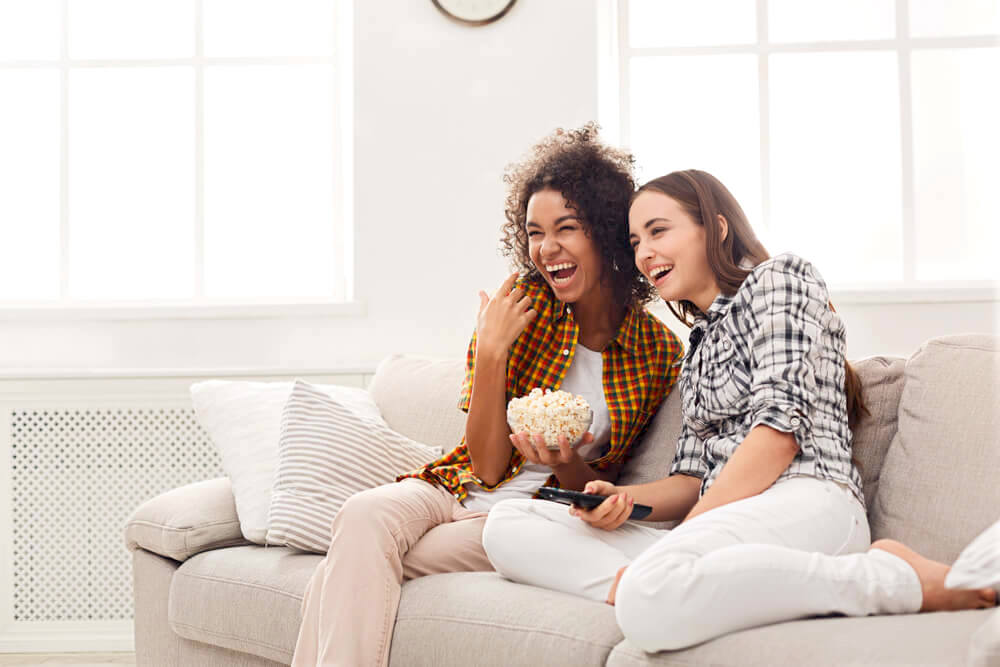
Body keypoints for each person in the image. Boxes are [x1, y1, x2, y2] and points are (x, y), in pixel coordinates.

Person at [481, 169, 998, 652]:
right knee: (507, 525)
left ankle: (888, 576)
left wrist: (685, 539)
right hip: (731, 521)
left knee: (648, 605)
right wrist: (624, 499)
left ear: (716, 228)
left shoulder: (780, 281)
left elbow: (777, 437)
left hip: (805, 499)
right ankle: (669, 584)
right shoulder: (698, 349)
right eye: (636, 242)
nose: (644, 254)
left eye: (659, 231)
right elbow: (689, 480)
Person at [290, 124, 684, 666]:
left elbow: (595, 488)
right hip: (454, 485)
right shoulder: (520, 306)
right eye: (534, 232)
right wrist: (493, 350)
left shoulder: (654, 350)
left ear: (607, 233)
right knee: (362, 517)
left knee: (352, 561)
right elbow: (484, 460)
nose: (547, 249)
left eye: (566, 228)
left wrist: (567, 461)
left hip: (525, 516)